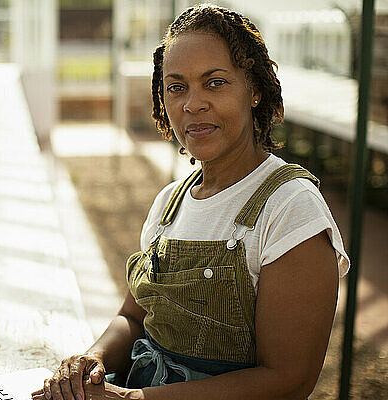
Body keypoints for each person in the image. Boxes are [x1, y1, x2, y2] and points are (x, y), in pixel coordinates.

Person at [32, 4, 350, 400]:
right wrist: (92, 358)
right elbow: (134, 316)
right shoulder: (170, 203)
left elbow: (287, 380)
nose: (192, 104)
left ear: (253, 90)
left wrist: (134, 399)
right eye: (176, 87)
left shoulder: (289, 208)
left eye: (214, 83)